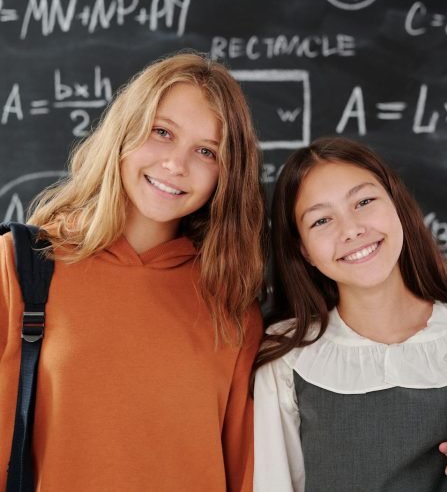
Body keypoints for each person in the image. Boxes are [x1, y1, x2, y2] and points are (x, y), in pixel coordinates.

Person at [0, 52, 267, 491]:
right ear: (124, 132)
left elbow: (246, 476)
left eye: (206, 151)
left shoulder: (231, 304)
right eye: (162, 132)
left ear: (226, 174)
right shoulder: (20, 267)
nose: (176, 165)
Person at [253, 137, 447, 491]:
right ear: (303, 250)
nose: (351, 229)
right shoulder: (288, 357)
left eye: (364, 202)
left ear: (396, 203)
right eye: (321, 220)